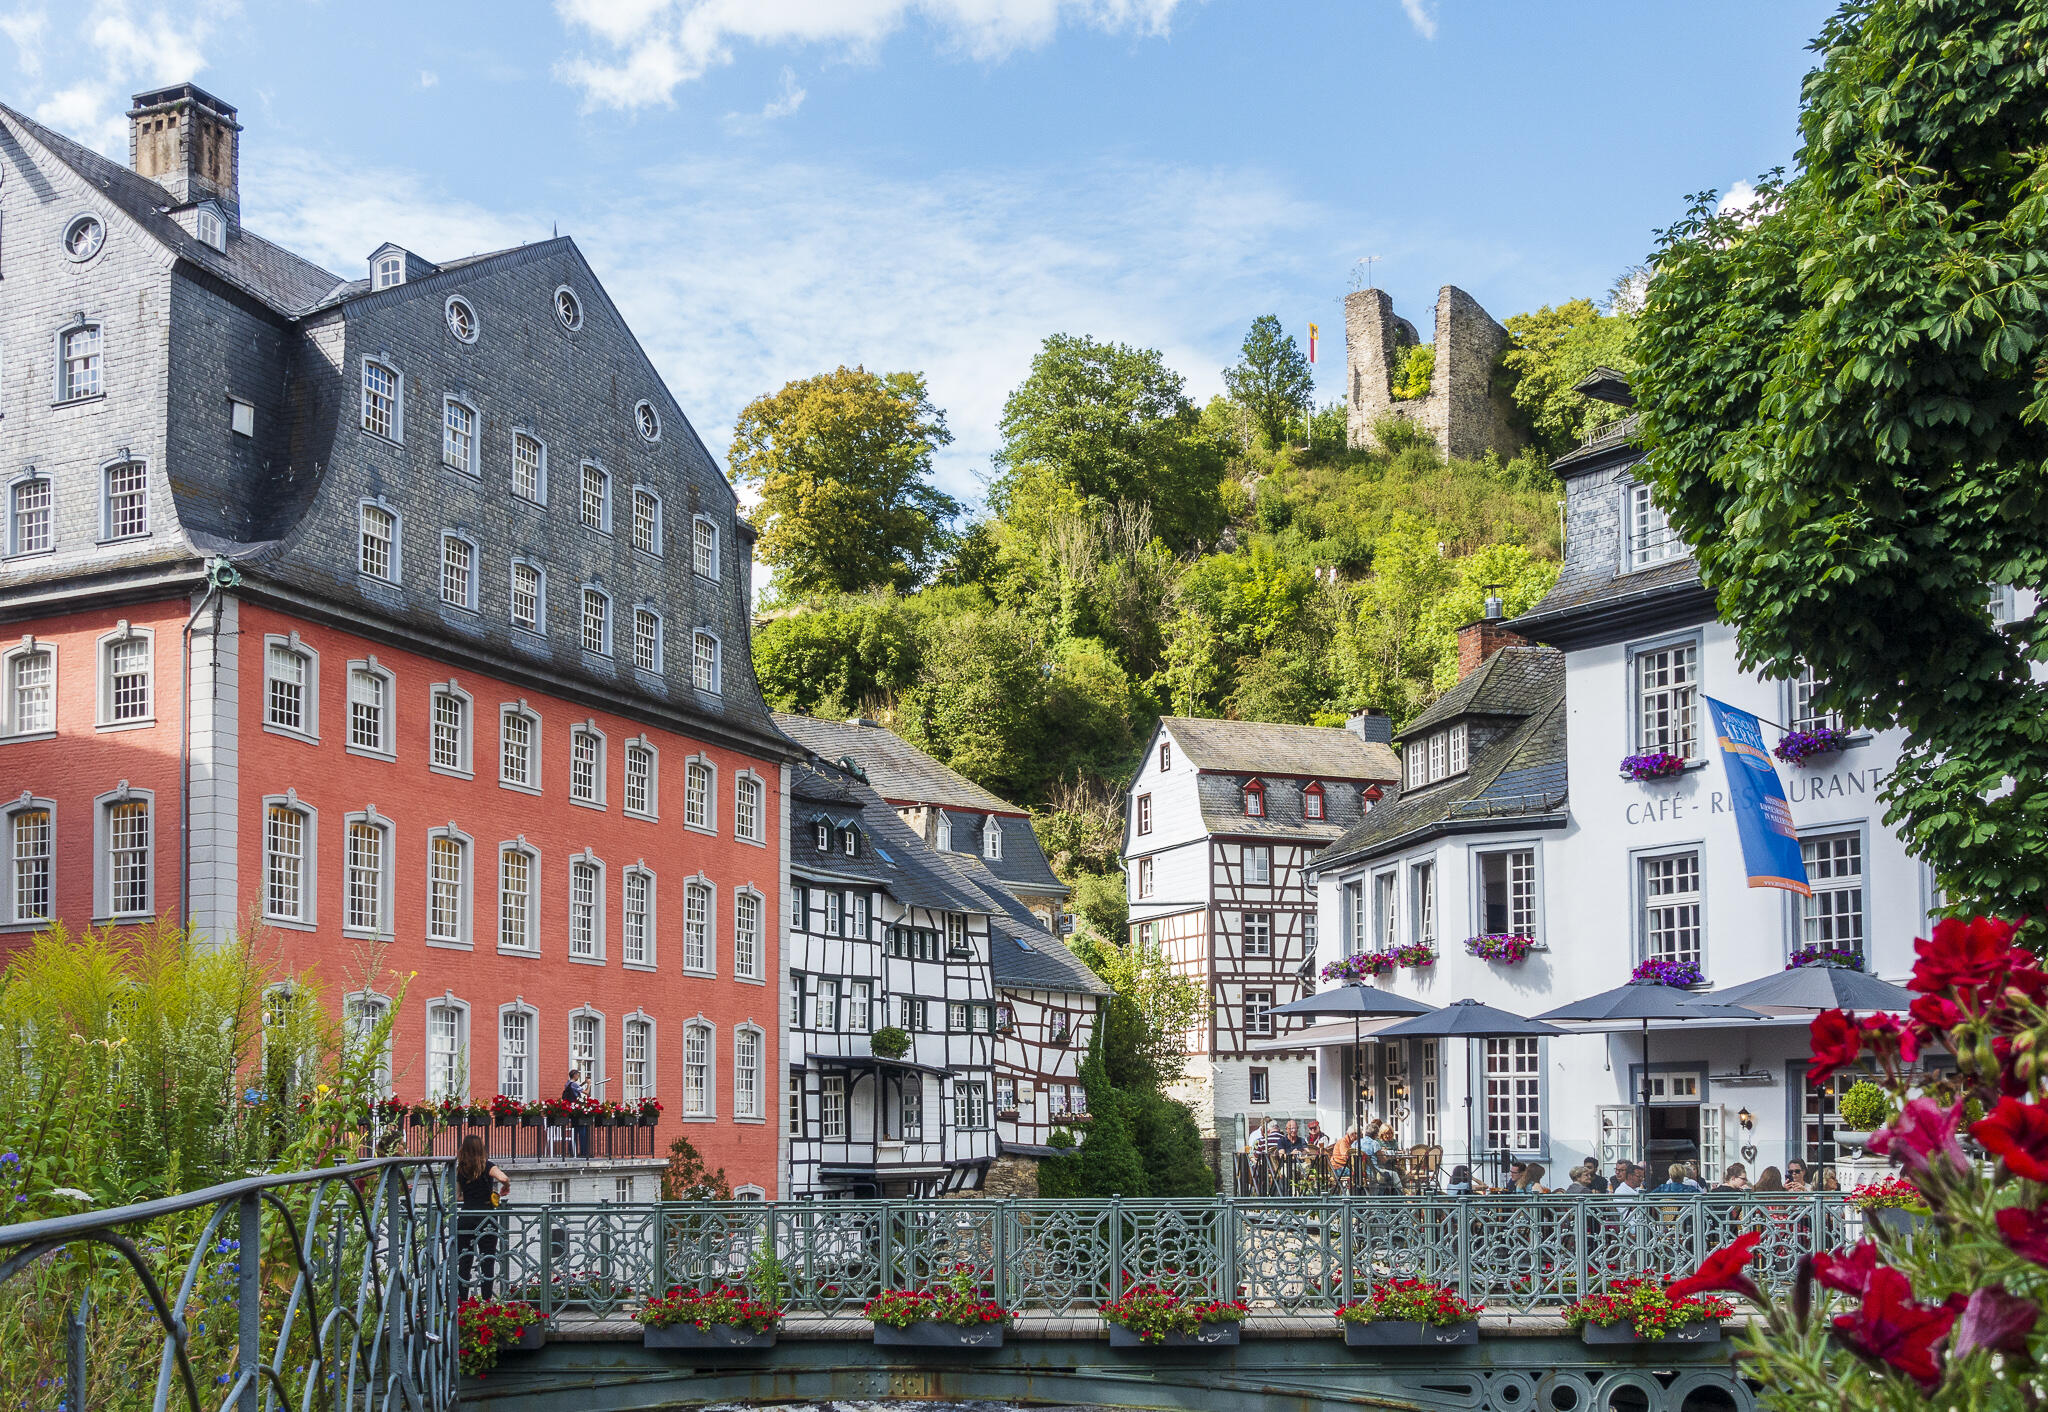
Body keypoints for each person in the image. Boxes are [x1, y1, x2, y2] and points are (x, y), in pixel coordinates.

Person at [456, 1133, 511, 1298]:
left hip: (466, 1217)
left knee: (464, 1261)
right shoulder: (488, 1166)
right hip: (486, 1218)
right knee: (488, 1260)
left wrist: (472, 1196)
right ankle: (486, 1301)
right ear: (481, 1149)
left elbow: (458, 1196)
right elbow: (504, 1177)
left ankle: (463, 1303)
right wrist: (505, 1187)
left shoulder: (460, 1169)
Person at [564, 1067, 589, 1156]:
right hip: (577, 1111)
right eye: (578, 1075)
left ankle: (572, 1151)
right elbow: (586, 1092)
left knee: (574, 1132)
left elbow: (576, 1088)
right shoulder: (574, 1084)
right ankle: (584, 1152)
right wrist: (588, 1084)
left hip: (571, 1111)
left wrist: (583, 1083)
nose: (578, 1076)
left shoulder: (568, 1083)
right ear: (575, 1075)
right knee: (582, 1131)